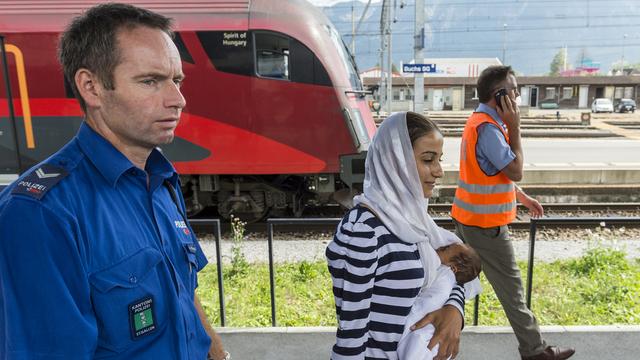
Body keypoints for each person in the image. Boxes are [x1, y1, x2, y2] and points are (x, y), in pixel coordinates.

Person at [0, 4, 230, 359]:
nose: (178, 100)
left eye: (177, 80)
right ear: (91, 87)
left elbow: (185, 295)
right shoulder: (41, 213)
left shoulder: (160, 180)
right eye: (151, 81)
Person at [326, 111, 481, 360]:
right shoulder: (363, 231)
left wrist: (454, 310)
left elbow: (454, 272)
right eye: (428, 160)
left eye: (439, 159)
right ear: (396, 161)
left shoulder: (416, 221)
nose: (439, 171)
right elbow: (351, 333)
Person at [451, 65, 575, 360]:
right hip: (485, 226)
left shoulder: (479, 121)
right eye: (515, 90)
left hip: (469, 219)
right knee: (513, 290)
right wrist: (516, 127)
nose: (518, 96)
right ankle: (534, 352)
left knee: (453, 281)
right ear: (501, 96)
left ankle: (428, 339)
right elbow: (515, 170)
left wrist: (521, 197)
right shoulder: (491, 129)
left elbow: (490, 172)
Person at [397, 243, 482, 360]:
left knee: (419, 340)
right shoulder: (449, 279)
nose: (440, 247)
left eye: (446, 249)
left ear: (453, 268)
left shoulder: (444, 272)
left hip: (423, 317)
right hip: (430, 322)